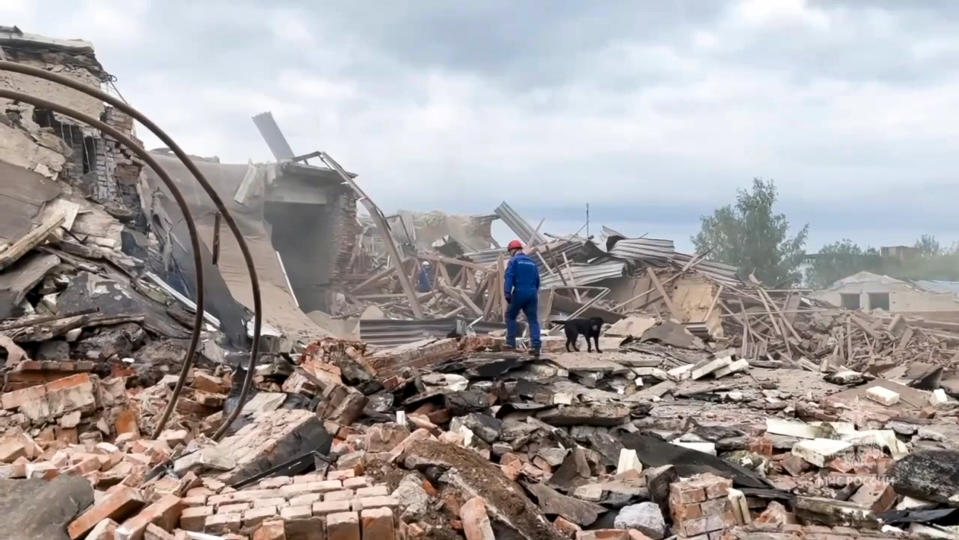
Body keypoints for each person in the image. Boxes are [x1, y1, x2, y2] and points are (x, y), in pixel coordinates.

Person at [504, 239, 541, 356]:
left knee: (510, 316)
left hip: (520, 292)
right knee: (533, 320)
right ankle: (535, 346)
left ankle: (510, 343)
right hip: (532, 293)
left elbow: (509, 277)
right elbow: (537, 280)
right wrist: (534, 292)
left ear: (513, 250)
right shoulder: (532, 262)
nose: (510, 254)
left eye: (510, 251)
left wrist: (507, 293)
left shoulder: (513, 261)